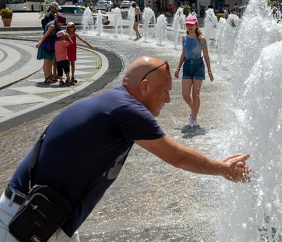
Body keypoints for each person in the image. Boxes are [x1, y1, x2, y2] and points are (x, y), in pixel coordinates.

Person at [0, 56, 251, 242]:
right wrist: (223, 169)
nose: (168, 99)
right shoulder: (127, 109)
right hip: (26, 221)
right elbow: (177, 157)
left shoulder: (112, 103)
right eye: (165, 90)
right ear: (143, 87)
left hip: (40, 214)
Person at [174, 15, 214, 127]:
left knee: (195, 94)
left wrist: (210, 71)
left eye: (192, 24)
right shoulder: (184, 37)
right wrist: (178, 68)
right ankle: (194, 110)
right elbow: (183, 54)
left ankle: (194, 118)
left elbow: (206, 56)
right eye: (188, 24)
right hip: (187, 66)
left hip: (198, 67)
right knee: (185, 95)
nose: (190, 26)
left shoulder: (201, 38)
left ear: (196, 25)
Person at [36, 14, 66, 84]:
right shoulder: (52, 26)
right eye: (62, 23)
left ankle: (49, 77)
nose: (62, 25)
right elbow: (45, 35)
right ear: (59, 21)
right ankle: (47, 78)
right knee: (47, 62)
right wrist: (39, 43)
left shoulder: (53, 24)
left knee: (49, 61)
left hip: (49, 44)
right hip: (47, 45)